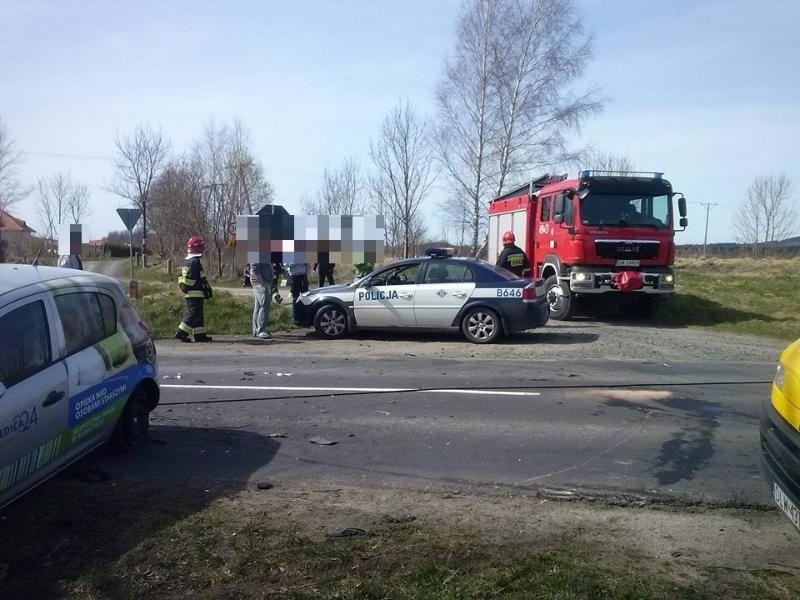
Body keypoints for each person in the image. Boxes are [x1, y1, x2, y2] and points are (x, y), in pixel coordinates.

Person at [174, 235, 213, 342]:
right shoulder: (195, 262)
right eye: (201, 246)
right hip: (195, 293)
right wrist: (205, 287)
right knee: (194, 313)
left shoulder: (186, 261)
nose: (203, 249)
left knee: (199, 314)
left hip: (192, 293)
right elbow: (196, 278)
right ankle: (181, 332)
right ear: (197, 248)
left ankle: (199, 335)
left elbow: (181, 277)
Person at [250, 262, 273, 339]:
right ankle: (260, 330)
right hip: (259, 282)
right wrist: (262, 283)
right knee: (265, 305)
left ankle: (256, 330)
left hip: (262, 281)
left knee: (258, 306)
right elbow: (254, 268)